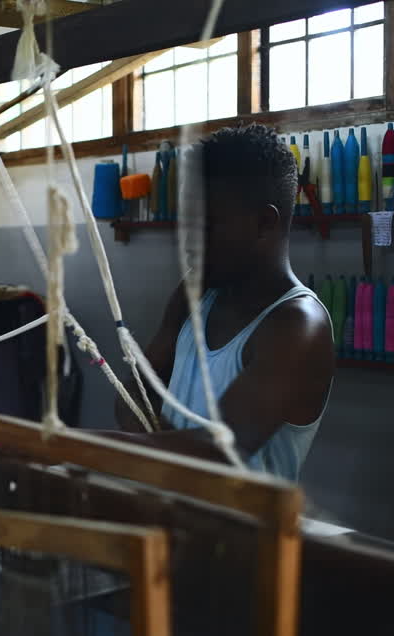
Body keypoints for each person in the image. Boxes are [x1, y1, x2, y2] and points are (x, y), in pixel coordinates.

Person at [103, 124, 335, 482]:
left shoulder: (298, 327)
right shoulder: (193, 294)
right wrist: (172, 447)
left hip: (242, 536)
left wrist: (71, 443)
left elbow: (218, 454)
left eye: (205, 226)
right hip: (169, 519)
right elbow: (132, 394)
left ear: (263, 224)